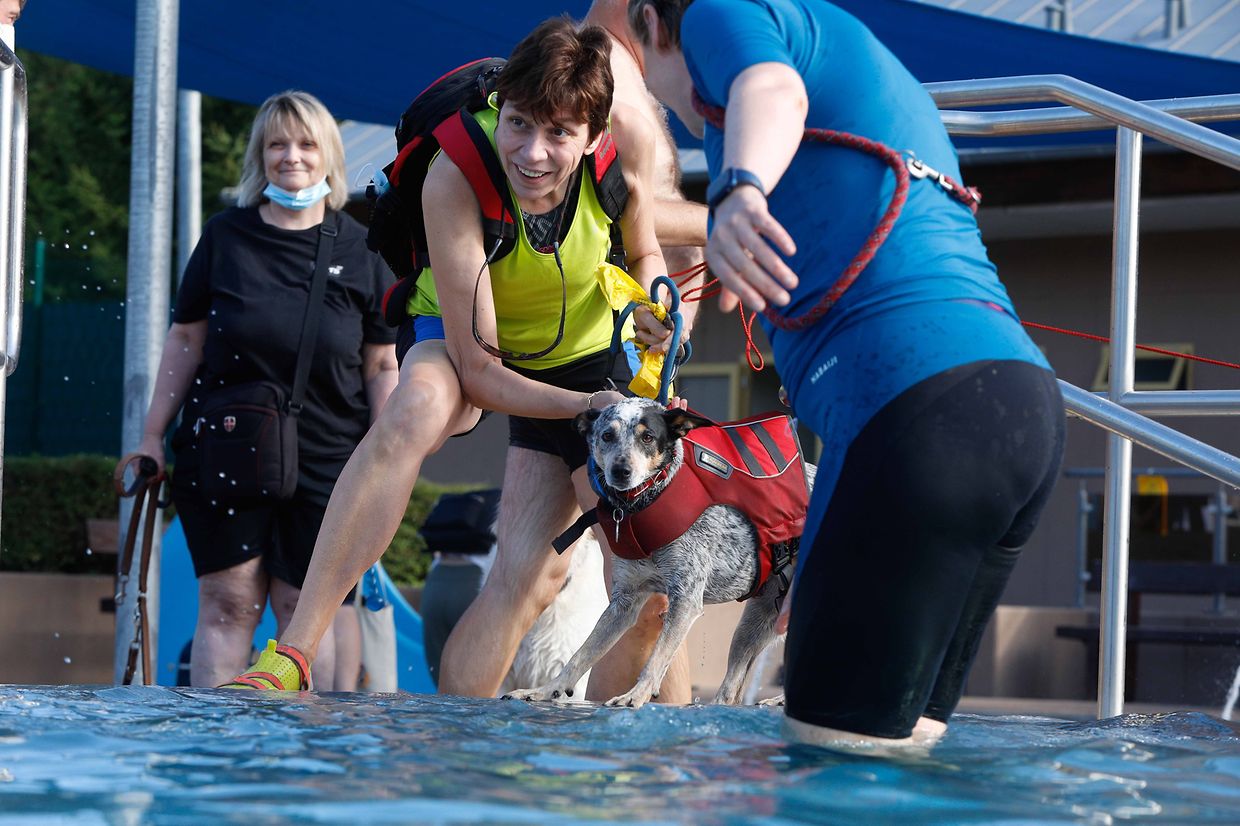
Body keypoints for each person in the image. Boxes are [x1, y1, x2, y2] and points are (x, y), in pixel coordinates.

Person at [629, 0, 1065, 749]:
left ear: (649, 22)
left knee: (830, 761)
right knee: (901, 750)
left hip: (920, 422)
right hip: (1017, 411)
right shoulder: (838, 46)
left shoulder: (719, 11)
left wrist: (737, 194)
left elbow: (771, 90)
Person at [231, 18, 680, 698]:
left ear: (592, 136)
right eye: (520, 124)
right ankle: (292, 653)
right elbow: (481, 373)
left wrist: (655, 308)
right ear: (501, 105)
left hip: (585, 362)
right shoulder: (454, 174)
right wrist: (591, 408)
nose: (532, 153)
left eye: (558, 134)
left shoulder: (621, 162)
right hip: (472, 341)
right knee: (416, 409)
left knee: (637, 591)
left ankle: (653, 777)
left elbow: (646, 250)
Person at [130, 90, 398, 689]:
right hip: (227, 449)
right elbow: (184, 340)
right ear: (260, 155)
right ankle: (222, 753)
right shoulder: (225, 237)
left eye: (305, 144)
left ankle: (309, 763)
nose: (291, 157)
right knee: (228, 603)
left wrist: (390, 454)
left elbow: (382, 365)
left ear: (328, 154)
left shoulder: (361, 250)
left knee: (309, 610)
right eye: (277, 143)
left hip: (330, 456)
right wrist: (150, 435)